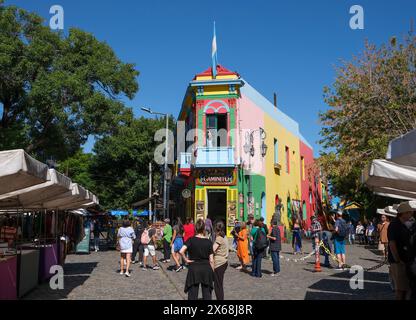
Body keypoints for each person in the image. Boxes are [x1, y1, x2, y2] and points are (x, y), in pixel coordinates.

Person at [180, 219, 215, 300]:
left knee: (192, 294)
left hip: (194, 268)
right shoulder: (208, 242)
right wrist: (212, 272)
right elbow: (211, 260)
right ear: (204, 229)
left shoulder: (191, 240)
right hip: (206, 268)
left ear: (195, 229)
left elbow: (181, 251)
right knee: (207, 294)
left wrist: (186, 260)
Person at [388, 201, 414, 300]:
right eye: (409, 212)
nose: (411, 214)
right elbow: (392, 243)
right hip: (398, 262)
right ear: (403, 213)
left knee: (405, 288)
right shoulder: (394, 225)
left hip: (404, 260)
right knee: (400, 290)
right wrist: (398, 260)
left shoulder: (404, 224)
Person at [212, 221, 228, 300]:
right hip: (224, 261)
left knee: (217, 285)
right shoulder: (224, 236)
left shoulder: (219, 238)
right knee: (219, 284)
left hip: (219, 263)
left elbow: (213, 249)